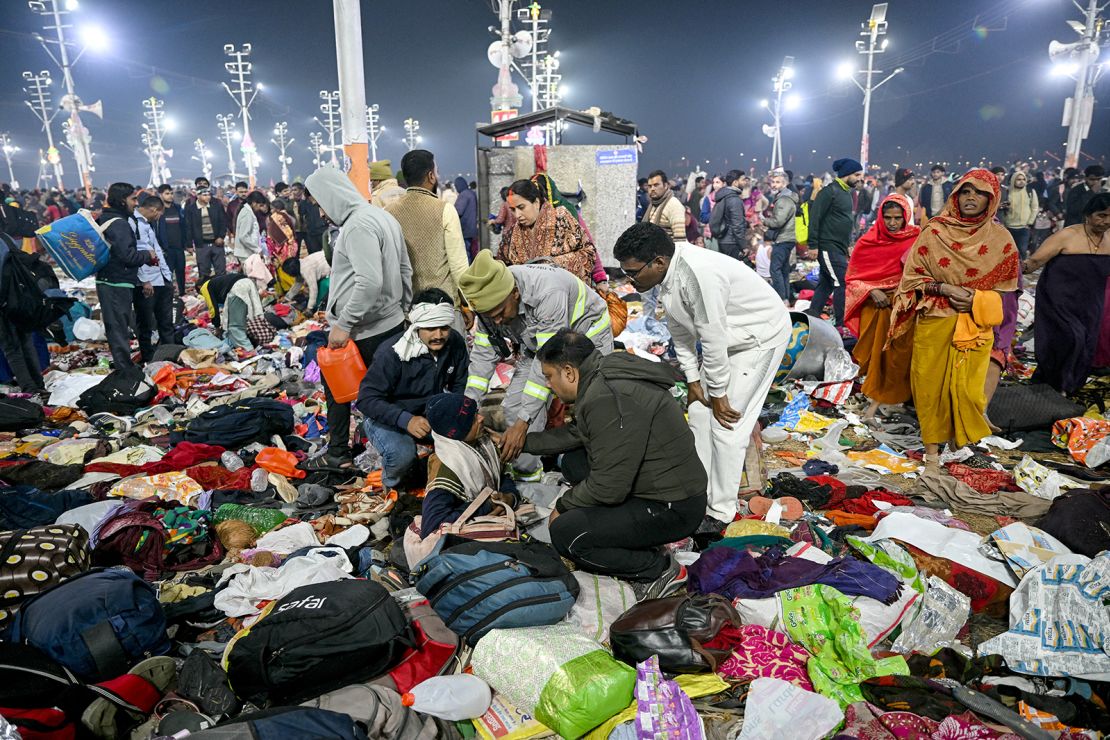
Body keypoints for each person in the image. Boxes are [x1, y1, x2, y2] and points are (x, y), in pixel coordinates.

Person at [614, 222, 790, 530]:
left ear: (658, 262)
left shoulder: (697, 275)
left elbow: (712, 338)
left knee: (727, 424)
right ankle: (697, 494)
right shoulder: (667, 275)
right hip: (726, 339)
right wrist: (694, 381)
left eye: (633, 272)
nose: (629, 280)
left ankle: (720, 513)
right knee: (697, 412)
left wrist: (720, 394)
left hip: (759, 337)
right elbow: (681, 331)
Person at [522, 329, 706, 598]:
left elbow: (610, 486)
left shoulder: (606, 396)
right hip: (661, 489)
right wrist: (523, 443)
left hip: (673, 506)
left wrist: (562, 506)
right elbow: (578, 434)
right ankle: (631, 537)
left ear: (569, 372)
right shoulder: (602, 375)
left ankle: (658, 570)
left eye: (549, 376)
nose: (549, 385)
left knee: (567, 534)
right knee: (575, 462)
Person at [888, 169, 1019, 469]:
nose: (971, 197)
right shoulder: (935, 231)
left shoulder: (1001, 240)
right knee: (929, 387)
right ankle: (932, 452)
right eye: (965, 191)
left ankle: (955, 445)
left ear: (992, 199)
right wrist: (944, 287)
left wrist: (975, 299)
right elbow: (912, 278)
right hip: (935, 318)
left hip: (974, 324)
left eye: (979, 193)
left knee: (968, 392)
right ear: (955, 195)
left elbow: (1008, 294)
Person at [459, 251, 613, 480]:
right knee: (515, 406)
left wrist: (523, 423)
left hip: (587, 338)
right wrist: (467, 407)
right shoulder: (488, 311)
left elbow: (547, 364)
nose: (498, 321)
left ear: (515, 293)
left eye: (501, 314)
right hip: (538, 345)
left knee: (592, 404)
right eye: (491, 317)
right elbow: (483, 357)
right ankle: (528, 476)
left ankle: (602, 468)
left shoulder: (547, 292)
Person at [305, 165, 412, 468]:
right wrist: (403, 310)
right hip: (389, 322)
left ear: (333, 197)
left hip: (365, 329)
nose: (323, 214)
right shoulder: (381, 216)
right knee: (384, 394)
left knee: (341, 389)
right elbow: (406, 268)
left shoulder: (357, 227)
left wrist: (344, 324)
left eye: (322, 205)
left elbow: (369, 281)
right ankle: (386, 452)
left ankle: (339, 452)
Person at [355, 290, 468, 490]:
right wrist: (406, 420)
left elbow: (459, 384)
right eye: (431, 328)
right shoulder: (392, 353)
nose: (438, 335)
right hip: (388, 416)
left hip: (427, 415)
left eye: (444, 328)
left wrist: (457, 417)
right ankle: (391, 489)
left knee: (468, 440)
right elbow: (366, 399)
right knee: (402, 456)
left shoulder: (455, 342)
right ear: (416, 326)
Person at [844, 194, 921, 422]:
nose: (893, 223)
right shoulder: (868, 242)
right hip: (876, 307)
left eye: (898, 218)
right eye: (887, 217)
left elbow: (923, 270)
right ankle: (874, 403)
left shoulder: (917, 239)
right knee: (877, 356)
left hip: (904, 306)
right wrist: (871, 290)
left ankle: (892, 401)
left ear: (906, 217)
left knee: (898, 357)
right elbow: (853, 278)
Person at [1025, 193, 1110, 394]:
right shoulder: (1067, 235)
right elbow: (1035, 262)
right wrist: (1012, 269)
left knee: (1086, 343)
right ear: (1087, 215)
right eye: (1101, 215)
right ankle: (1053, 384)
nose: (1106, 221)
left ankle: (1068, 387)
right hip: (1058, 298)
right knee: (1072, 338)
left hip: (1090, 302)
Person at [416, 392, 519, 540]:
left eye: (476, 412)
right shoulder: (449, 468)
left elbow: (502, 476)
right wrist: (486, 506)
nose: (481, 418)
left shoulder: (481, 442)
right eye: (472, 420)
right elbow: (431, 527)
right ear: (456, 433)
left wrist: (510, 496)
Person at [384, 150, 469, 305]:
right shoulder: (445, 210)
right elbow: (458, 266)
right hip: (442, 305)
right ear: (431, 176)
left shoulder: (388, 212)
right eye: (436, 172)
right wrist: (467, 304)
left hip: (405, 307)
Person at [96, 183, 156, 368]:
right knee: (118, 327)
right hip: (115, 281)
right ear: (122, 201)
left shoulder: (109, 218)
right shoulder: (119, 224)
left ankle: (125, 365)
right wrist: (148, 255)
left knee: (118, 325)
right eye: (133, 199)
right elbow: (127, 255)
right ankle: (125, 369)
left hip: (113, 280)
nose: (136, 204)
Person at [497, 179, 599, 285]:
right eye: (513, 210)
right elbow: (503, 267)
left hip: (564, 294)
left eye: (521, 207)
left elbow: (589, 252)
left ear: (536, 203)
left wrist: (554, 265)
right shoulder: (512, 234)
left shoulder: (562, 220)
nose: (517, 215)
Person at [806, 157, 864, 326]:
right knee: (841, 282)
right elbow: (815, 218)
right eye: (857, 174)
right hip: (827, 246)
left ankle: (812, 317)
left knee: (825, 284)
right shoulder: (829, 192)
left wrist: (848, 245)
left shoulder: (847, 193)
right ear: (847, 174)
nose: (860, 178)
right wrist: (813, 245)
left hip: (839, 248)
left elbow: (845, 221)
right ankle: (841, 324)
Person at [0, 233, 47, 394]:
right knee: (26, 343)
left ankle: (29, 388)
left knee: (12, 349)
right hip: (20, 299)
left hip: (4, 302)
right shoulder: (7, 237)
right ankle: (39, 384)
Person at [132, 195, 174, 364]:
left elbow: (156, 249)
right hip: (146, 283)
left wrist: (168, 277)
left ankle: (170, 355)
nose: (158, 218)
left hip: (161, 280)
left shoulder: (147, 224)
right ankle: (149, 359)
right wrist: (144, 280)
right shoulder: (132, 223)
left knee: (166, 322)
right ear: (153, 209)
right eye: (159, 214)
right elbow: (136, 253)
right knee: (146, 324)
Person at [760, 170, 799, 302]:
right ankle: (786, 298)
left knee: (775, 269)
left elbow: (778, 221)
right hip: (788, 237)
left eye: (778, 182)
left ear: (785, 183)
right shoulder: (786, 197)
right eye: (773, 182)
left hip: (784, 238)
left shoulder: (784, 200)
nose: (774, 185)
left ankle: (781, 299)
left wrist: (764, 220)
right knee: (783, 270)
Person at [199, 272, 262, 350]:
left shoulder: (204, 287)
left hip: (237, 288)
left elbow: (213, 308)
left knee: (234, 326)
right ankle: (252, 342)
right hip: (248, 283)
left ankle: (248, 350)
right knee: (244, 319)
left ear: (199, 287)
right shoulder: (217, 282)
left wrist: (217, 327)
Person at [184, 186, 228, 285]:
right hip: (201, 245)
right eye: (204, 195)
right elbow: (188, 228)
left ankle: (222, 290)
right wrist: (189, 245)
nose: (207, 197)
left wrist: (221, 236)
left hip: (217, 243)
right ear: (198, 196)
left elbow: (223, 222)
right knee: (204, 273)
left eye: (209, 194)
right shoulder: (191, 209)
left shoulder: (216, 206)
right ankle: (206, 294)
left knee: (221, 271)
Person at [708, 170, 748, 261]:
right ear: (735, 182)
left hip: (724, 239)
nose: (745, 182)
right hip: (731, 242)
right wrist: (743, 246)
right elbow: (737, 225)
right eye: (743, 180)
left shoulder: (724, 195)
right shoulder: (734, 199)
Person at [156, 184, 187, 295]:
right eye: (167, 194)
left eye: (171, 193)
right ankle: (168, 296)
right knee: (167, 274)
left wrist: (186, 243)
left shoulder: (178, 208)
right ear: (161, 195)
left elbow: (184, 226)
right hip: (166, 249)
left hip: (179, 247)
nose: (170, 196)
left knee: (181, 273)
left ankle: (182, 295)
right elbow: (156, 230)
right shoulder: (158, 211)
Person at [1000, 171, 1038, 260]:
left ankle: (1019, 271)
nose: (1021, 181)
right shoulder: (1007, 191)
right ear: (1013, 180)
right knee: (1008, 251)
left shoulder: (1030, 191)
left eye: (1023, 179)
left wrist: (1030, 222)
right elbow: (1003, 207)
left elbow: (1034, 208)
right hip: (1009, 227)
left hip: (1024, 227)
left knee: (1022, 250)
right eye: (1018, 179)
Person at [642, 169, 687, 242]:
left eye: (656, 185)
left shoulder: (673, 205)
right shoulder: (653, 204)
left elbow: (680, 239)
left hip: (667, 252)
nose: (652, 189)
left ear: (665, 185)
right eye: (650, 186)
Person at [266, 198, 298, 295]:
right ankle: (295, 291)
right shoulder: (288, 215)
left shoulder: (278, 217)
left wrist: (274, 248)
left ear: (277, 209)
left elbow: (277, 234)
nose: (271, 211)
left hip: (283, 248)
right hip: (290, 246)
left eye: (272, 209)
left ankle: (292, 291)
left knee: (285, 269)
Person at [233, 191, 269, 267]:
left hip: (248, 252)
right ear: (254, 203)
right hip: (245, 253)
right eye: (260, 205)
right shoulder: (247, 213)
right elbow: (243, 236)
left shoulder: (248, 211)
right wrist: (257, 249)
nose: (260, 208)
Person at [454, 176, 480, 261]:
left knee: (466, 253)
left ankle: (467, 271)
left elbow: (458, 211)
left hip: (465, 228)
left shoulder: (463, 195)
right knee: (472, 252)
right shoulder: (472, 193)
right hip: (472, 228)